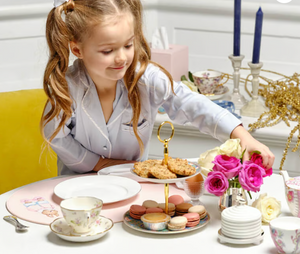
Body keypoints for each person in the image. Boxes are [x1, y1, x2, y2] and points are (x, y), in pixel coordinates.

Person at [41, 0, 274, 175]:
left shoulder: (147, 78)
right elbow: (56, 137)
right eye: (108, 51)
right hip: (78, 189)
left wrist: (241, 135)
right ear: (77, 49)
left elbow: (191, 104)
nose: (122, 58)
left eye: (128, 45)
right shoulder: (66, 87)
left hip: (134, 185)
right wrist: (98, 163)